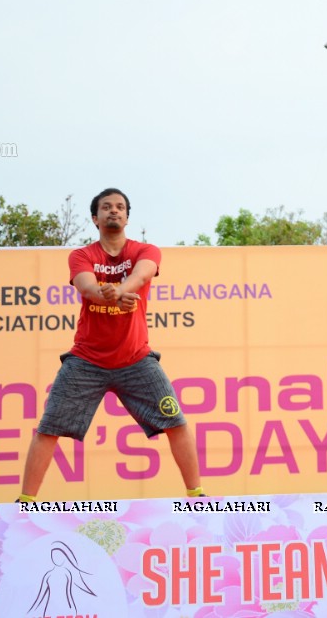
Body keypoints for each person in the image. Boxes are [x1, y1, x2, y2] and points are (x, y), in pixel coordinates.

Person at [18, 188, 205, 502]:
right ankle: (25, 503)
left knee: (176, 422)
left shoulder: (146, 250)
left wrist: (120, 290)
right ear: (95, 218)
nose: (114, 211)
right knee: (48, 427)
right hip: (86, 360)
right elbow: (87, 286)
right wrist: (103, 292)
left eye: (120, 207)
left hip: (136, 359)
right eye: (106, 207)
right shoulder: (82, 255)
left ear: (127, 217)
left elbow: (142, 274)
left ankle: (196, 495)